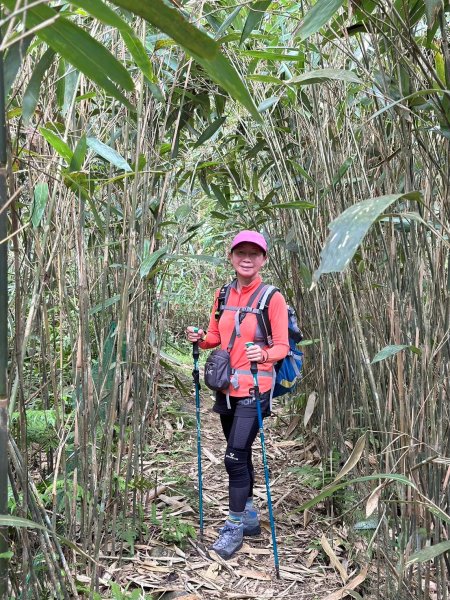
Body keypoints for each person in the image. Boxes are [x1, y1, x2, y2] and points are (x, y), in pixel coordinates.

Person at [186, 230, 289, 560]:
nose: (247, 257)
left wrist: (266, 355)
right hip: (226, 389)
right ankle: (248, 515)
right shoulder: (222, 294)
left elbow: (282, 347)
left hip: (256, 390)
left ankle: (233, 526)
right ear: (230, 256)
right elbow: (215, 337)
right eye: (240, 252)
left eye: (254, 253)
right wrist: (199, 338)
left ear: (263, 259)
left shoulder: (272, 298)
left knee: (232, 456)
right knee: (240, 455)